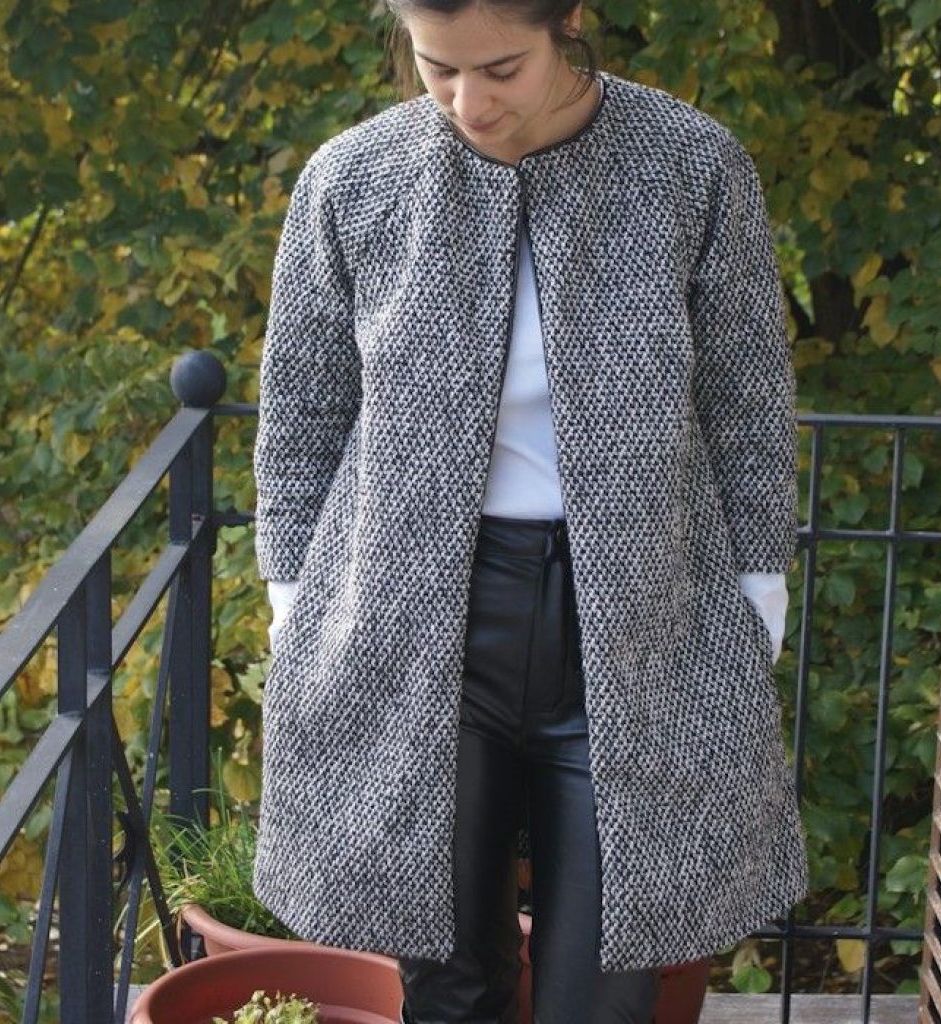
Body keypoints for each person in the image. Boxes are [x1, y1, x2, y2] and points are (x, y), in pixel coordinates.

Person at [251, 1, 810, 1022]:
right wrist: (293, 599)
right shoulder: (354, 179)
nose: (469, 102)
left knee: (606, 978)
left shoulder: (689, 165)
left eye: (501, 68)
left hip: (638, 623)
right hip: (416, 625)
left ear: (571, 24)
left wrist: (756, 591)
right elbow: (303, 408)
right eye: (438, 68)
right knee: (447, 978)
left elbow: (747, 395)